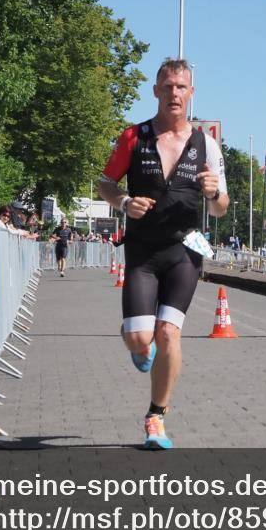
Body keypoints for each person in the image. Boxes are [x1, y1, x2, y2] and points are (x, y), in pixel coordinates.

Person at [99, 57, 228, 450]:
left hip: (185, 251)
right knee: (141, 338)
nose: (174, 93)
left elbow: (222, 207)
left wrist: (213, 193)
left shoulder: (207, 144)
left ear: (191, 93)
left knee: (169, 333)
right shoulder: (132, 138)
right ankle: (142, 348)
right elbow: (106, 183)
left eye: (181, 87)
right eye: (167, 86)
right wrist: (123, 202)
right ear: (156, 91)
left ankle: (156, 417)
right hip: (143, 252)